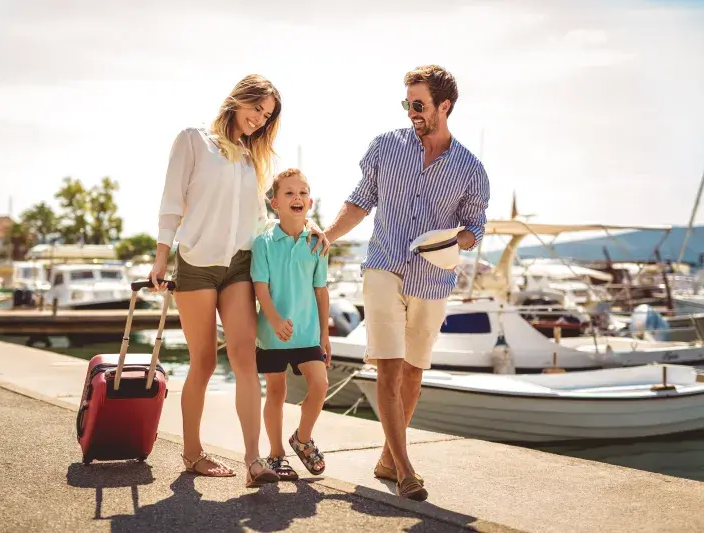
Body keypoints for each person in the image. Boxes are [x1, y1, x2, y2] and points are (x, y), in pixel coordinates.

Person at [148, 74, 328, 489]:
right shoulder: (193, 140)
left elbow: (263, 216)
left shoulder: (251, 158)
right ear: (238, 100)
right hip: (196, 263)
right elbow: (172, 201)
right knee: (204, 361)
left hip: (239, 265)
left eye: (267, 116)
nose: (259, 120)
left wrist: (308, 224)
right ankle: (193, 453)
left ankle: (253, 461)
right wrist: (160, 256)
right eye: (257, 109)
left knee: (244, 359)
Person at [324, 65, 490, 501]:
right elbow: (360, 201)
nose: (411, 112)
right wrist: (326, 236)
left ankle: (387, 458)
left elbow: (475, 226)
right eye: (407, 103)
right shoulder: (386, 146)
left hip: (432, 278)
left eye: (419, 104)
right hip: (383, 265)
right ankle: (406, 470)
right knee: (389, 366)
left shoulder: (471, 168)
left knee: (413, 373)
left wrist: (457, 240)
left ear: (444, 106)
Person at [251, 168, 331, 481]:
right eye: (289, 193)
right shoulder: (264, 243)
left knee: (320, 385)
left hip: (308, 332)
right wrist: (273, 318)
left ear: (309, 202)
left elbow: (321, 291)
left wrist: (325, 334)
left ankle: (302, 438)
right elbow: (260, 287)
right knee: (276, 391)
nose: (297, 197)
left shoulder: (317, 244)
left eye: (302, 193)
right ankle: (276, 454)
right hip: (272, 334)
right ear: (275, 203)